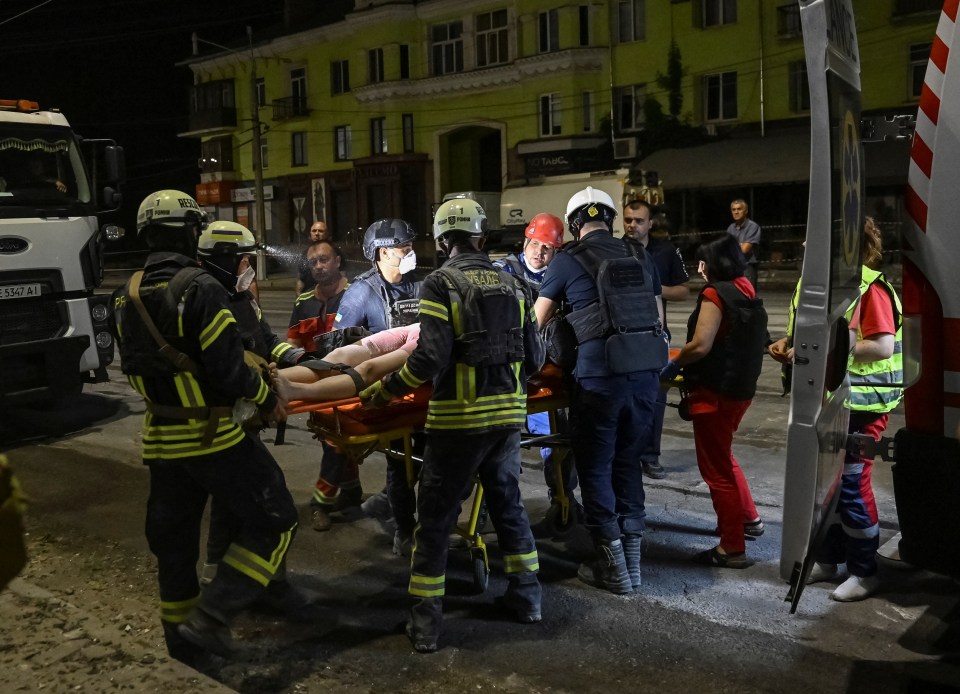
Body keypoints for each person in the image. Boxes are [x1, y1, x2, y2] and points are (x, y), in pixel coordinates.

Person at [110, 190, 298, 664]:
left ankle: (184, 649)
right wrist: (267, 396)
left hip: (161, 439)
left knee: (174, 549)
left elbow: (134, 365)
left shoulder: (124, 295)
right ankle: (213, 617)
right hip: (213, 437)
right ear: (192, 232)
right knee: (276, 519)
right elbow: (228, 370)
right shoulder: (200, 288)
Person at [361, 199, 544, 653]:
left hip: (459, 423)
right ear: (482, 237)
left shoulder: (441, 283)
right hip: (506, 420)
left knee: (436, 521)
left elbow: (429, 356)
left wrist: (385, 391)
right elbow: (536, 358)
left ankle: (426, 625)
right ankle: (528, 599)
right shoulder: (515, 282)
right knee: (509, 509)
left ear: (443, 242)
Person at [535, 187, 664, 595]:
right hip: (645, 378)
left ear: (574, 225)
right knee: (627, 463)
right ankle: (633, 563)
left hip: (598, 381)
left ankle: (613, 569)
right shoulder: (641, 256)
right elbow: (659, 319)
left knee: (595, 467)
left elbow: (536, 324)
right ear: (609, 219)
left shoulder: (568, 260)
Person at [777, 218, 903, 601]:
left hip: (864, 401)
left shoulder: (868, 288)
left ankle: (865, 571)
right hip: (832, 399)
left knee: (850, 482)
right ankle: (829, 560)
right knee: (826, 485)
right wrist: (789, 345)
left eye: (811, 239)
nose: (802, 244)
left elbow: (881, 347)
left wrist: (824, 354)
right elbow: (810, 335)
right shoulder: (819, 285)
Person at [194, 221, 309, 588]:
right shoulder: (210, 303)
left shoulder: (244, 300)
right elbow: (227, 368)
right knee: (267, 502)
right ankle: (260, 587)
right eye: (244, 261)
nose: (249, 268)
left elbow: (265, 342)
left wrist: (299, 357)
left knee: (230, 501)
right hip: (225, 420)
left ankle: (217, 571)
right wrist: (269, 398)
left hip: (243, 421)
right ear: (227, 262)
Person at [660, 234, 768, 569]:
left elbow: (701, 345)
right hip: (740, 391)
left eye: (703, 262)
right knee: (725, 458)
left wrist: (673, 365)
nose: (699, 268)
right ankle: (749, 519)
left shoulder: (714, 294)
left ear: (716, 263)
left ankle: (731, 547)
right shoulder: (745, 288)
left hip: (714, 394)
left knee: (715, 470)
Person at [335, 218, 423, 553]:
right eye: (405, 248)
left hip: (423, 388)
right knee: (400, 463)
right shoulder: (361, 293)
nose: (410, 252)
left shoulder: (421, 283)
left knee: (429, 462)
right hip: (390, 395)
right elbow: (338, 346)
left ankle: (413, 515)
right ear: (383, 252)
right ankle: (404, 528)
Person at [494, 213, 579, 524]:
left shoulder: (563, 274)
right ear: (525, 242)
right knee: (501, 443)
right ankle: (500, 506)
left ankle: (562, 500)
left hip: (545, 373)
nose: (539, 252)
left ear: (556, 251)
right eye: (535, 244)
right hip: (508, 371)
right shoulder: (502, 271)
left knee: (557, 440)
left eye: (547, 248)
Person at [288, 238, 356, 532]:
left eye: (324, 260)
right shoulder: (304, 302)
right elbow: (291, 343)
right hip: (317, 386)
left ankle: (324, 501)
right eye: (313, 262)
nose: (318, 266)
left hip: (353, 381)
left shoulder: (357, 294)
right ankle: (344, 494)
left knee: (339, 441)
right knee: (337, 441)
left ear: (337, 261)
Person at [623, 196, 690, 480]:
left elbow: (683, 291)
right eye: (628, 220)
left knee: (655, 399)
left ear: (650, 223)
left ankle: (650, 456)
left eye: (639, 221)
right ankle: (626, 456)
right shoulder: (615, 249)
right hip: (624, 337)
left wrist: (652, 288)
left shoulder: (665, 251)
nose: (633, 226)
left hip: (656, 337)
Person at [727, 198, 761, 290]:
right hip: (733, 268)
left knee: (748, 298)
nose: (736, 212)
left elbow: (744, 249)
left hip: (747, 268)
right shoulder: (731, 228)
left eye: (739, 209)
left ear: (745, 211)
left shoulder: (753, 226)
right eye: (733, 210)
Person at [295, 220, 330, 296]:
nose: (317, 234)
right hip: (309, 299)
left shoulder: (334, 253)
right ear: (310, 234)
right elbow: (300, 280)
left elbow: (342, 278)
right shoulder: (305, 254)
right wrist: (298, 299)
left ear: (326, 234)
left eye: (320, 231)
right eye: (314, 231)